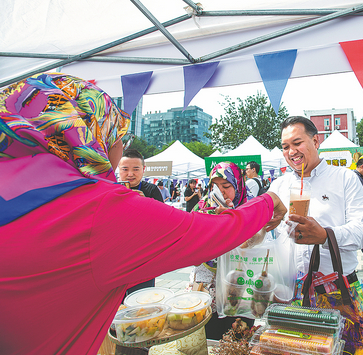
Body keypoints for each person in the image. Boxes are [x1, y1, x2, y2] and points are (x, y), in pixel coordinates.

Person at [0, 73, 287, 355]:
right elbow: (212, 233)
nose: (119, 149)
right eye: (117, 136)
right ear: (92, 135)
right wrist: (268, 201)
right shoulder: (99, 208)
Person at [268, 116, 363, 279]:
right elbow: (265, 235)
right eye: (286, 146)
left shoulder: (345, 178)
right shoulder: (278, 185)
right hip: (288, 288)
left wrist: (325, 235)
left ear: (315, 142)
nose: (292, 152)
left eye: (297, 143)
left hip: (336, 289)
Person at [190, 161, 255, 339]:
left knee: (240, 340)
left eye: (226, 186)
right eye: (214, 186)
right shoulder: (201, 208)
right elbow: (191, 249)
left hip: (240, 289)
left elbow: (256, 244)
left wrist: (233, 220)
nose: (220, 191)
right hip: (209, 290)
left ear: (238, 185)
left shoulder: (249, 208)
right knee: (212, 338)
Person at [118, 150, 165, 296]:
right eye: (125, 169)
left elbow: (163, 221)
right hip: (118, 255)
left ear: (143, 170)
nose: (130, 174)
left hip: (143, 255)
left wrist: (146, 204)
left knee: (142, 297)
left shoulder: (151, 190)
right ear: (118, 169)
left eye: (136, 169)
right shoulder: (112, 189)